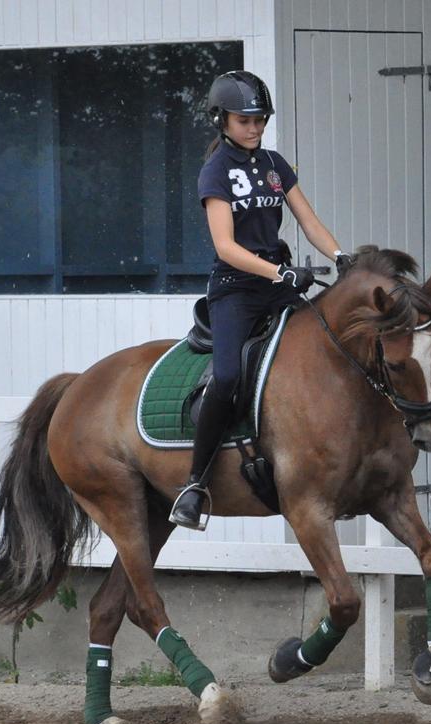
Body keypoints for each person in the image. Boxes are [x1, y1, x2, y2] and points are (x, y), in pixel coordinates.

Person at [169, 70, 349, 530]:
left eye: (260, 119)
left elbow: (307, 219)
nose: (254, 127)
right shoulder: (215, 171)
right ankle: (194, 483)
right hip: (236, 289)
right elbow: (226, 247)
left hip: (278, 283)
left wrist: (340, 254)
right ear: (222, 120)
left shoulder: (274, 163)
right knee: (227, 376)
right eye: (245, 120)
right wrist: (279, 270)